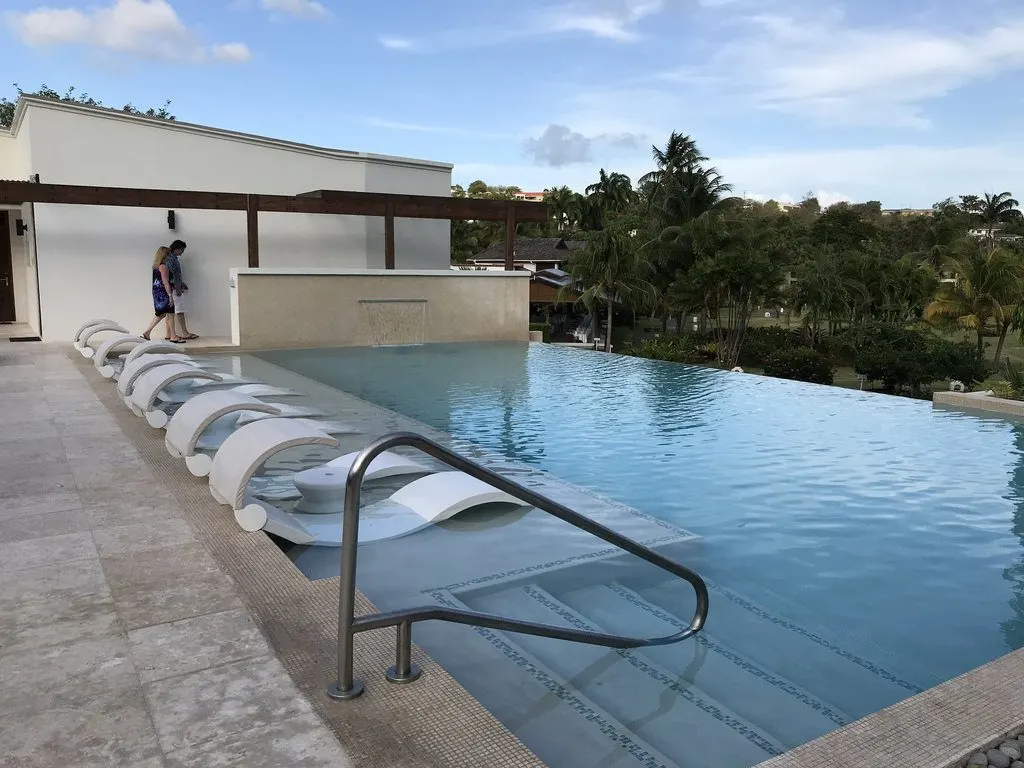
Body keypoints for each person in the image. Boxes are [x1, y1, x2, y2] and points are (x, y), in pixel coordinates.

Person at [142, 246, 184, 342]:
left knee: (161, 314)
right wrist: (170, 296)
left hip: (157, 293)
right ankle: (173, 336)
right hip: (164, 293)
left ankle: (147, 332)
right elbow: (165, 282)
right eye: (168, 253)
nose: (170, 255)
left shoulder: (156, 267)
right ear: (165, 255)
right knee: (170, 314)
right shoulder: (164, 266)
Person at [166, 239, 199, 340]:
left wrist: (181, 283)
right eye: (181, 250)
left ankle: (169, 334)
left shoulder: (170, 258)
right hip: (174, 289)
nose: (182, 252)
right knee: (180, 310)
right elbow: (171, 276)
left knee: (169, 313)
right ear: (176, 249)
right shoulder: (171, 260)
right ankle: (185, 333)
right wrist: (178, 287)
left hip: (173, 287)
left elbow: (174, 275)